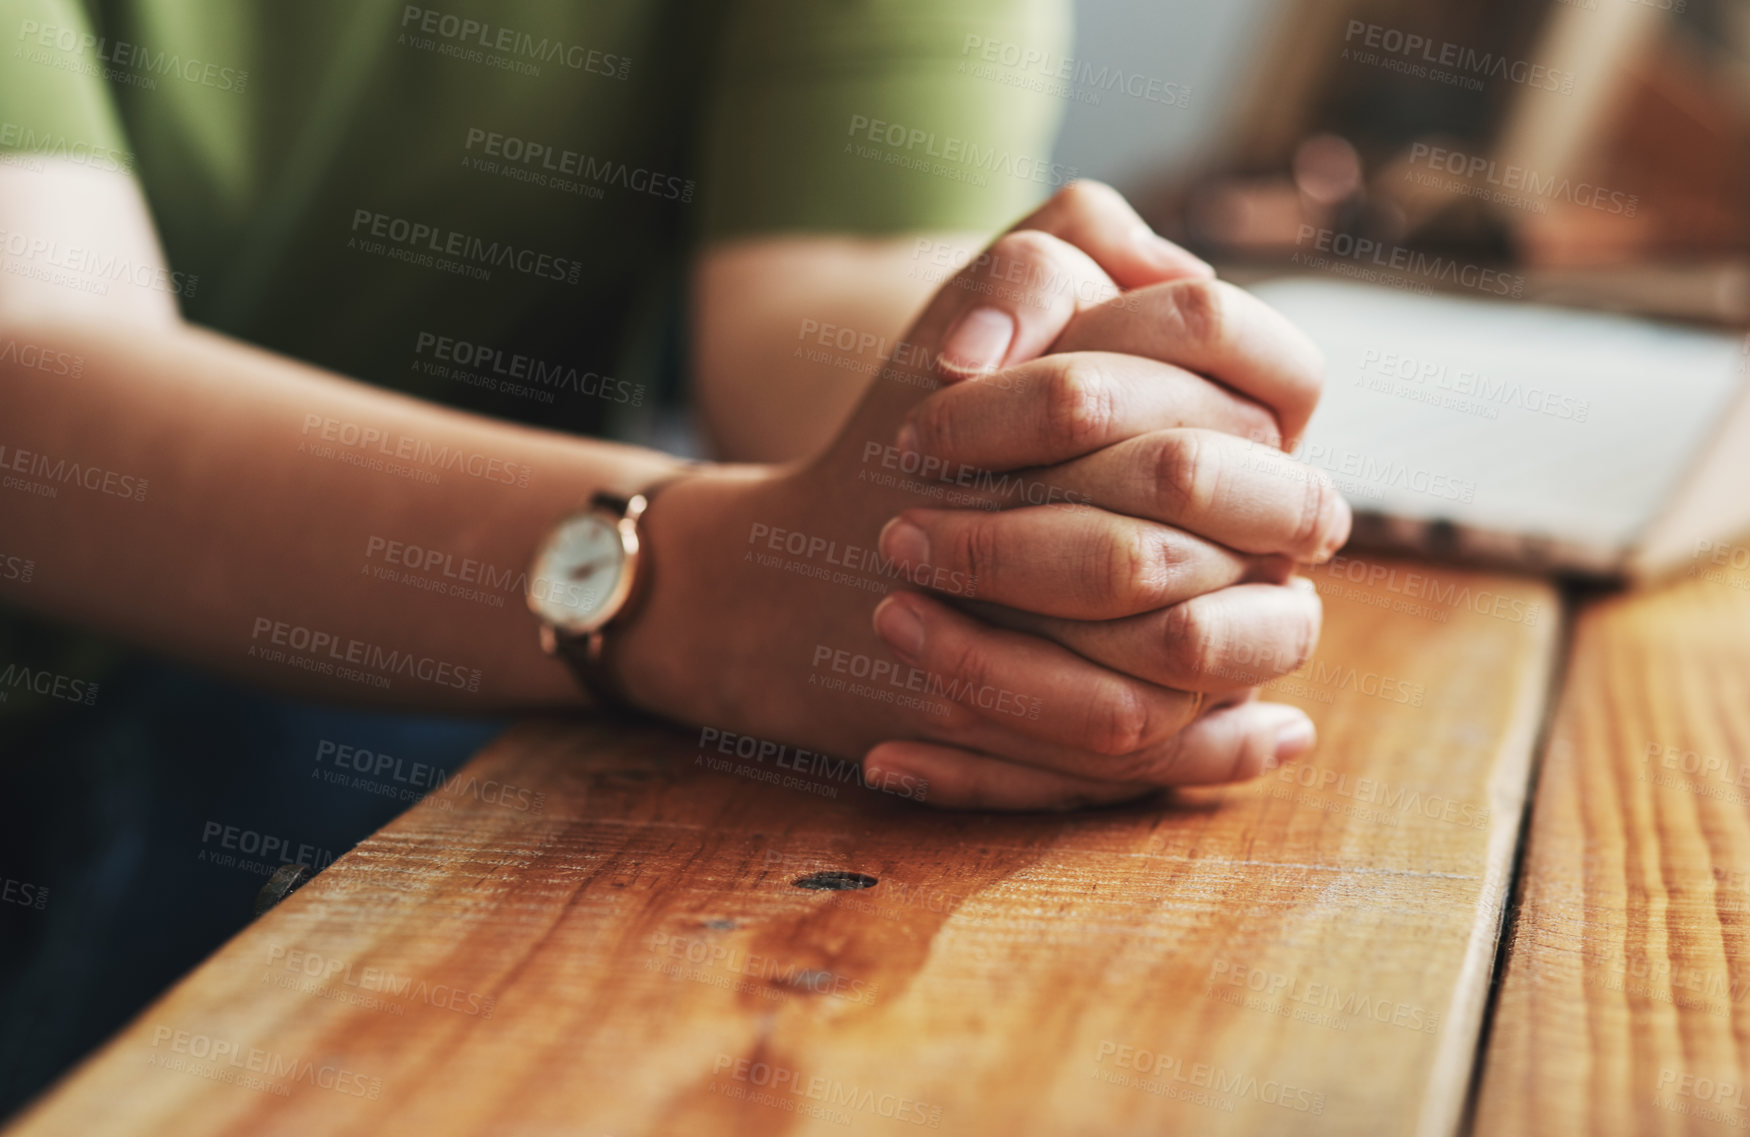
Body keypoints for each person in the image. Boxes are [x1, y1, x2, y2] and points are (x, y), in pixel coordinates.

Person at [0, 0, 1345, 818]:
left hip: (478, 669)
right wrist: (697, 591)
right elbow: (33, 389)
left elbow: (823, 271)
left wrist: (1034, 463)